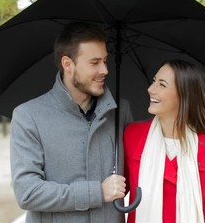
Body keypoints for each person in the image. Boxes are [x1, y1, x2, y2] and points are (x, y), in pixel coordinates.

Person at [10, 22, 133, 222]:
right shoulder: (28, 116)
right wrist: (97, 192)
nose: (104, 70)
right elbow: (28, 192)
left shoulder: (120, 112)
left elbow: (142, 173)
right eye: (94, 63)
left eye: (105, 60)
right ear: (68, 64)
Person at [123, 59, 205, 223]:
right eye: (154, 81)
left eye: (162, 85)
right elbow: (116, 194)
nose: (150, 89)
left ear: (184, 95)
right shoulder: (132, 135)